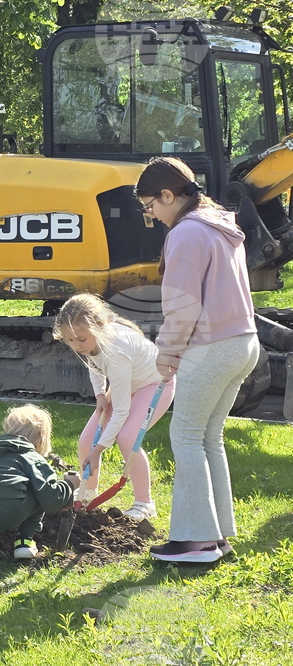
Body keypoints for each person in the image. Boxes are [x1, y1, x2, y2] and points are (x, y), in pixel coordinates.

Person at [135, 157, 258, 563]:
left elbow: (183, 306)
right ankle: (218, 535)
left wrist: (166, 353)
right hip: (242, 342)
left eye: (150, 204)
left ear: (168, 195)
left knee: (186, 437)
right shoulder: (220, 225)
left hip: (211, 346)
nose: (150, 213)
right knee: (208, 438)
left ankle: (196, 541)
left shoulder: (187, 233)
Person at [52, 293, 175, 520]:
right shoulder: (92, 343)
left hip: (154, 385)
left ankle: (145, 503)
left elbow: (121, 411)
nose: (76, 346)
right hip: (125, 383)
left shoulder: (116, 350)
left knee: (127, 437)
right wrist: (99, 394)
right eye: (70, 340)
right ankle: (87, 490)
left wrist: (99, 451)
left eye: (81, 339)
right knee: (86, 440)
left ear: (99, 328)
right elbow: (93, 363)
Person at [0, 404, 79, 564]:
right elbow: (51, 499)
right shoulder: (31, 457)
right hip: (12, 512)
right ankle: (24, 543)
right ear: (41, 439)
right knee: (37, 490)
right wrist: (68, 485)